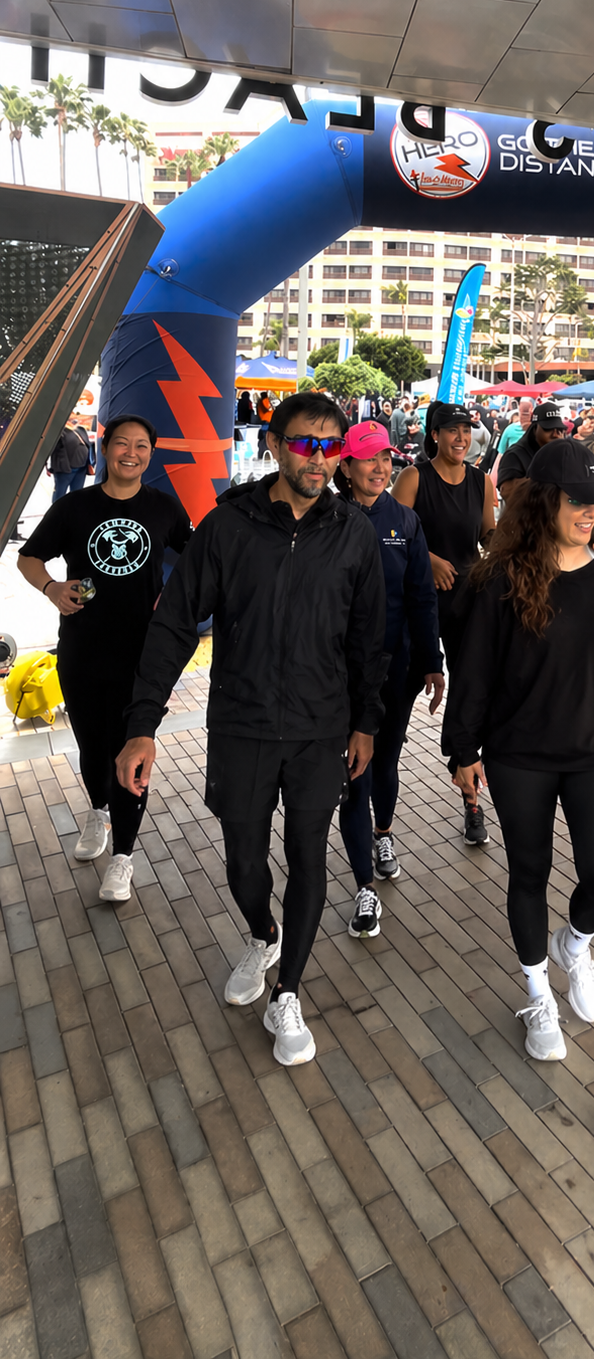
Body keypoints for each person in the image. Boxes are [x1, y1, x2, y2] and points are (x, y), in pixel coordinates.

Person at [115, 392, 386, 1067]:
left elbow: (368, 639)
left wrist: (365, 723)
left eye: (330, 446)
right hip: (241, 721)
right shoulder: (229, 526)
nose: (317, 458)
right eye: (304, 443)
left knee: (307, 856)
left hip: (322, 727)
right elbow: (177, 621)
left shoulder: (352, 532)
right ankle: (262, 933)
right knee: (242, 862)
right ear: (274, 445)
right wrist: (142, 724)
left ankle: (287, 991)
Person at [443, 441, 594, 1060]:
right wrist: (462, 751)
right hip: (519, 753)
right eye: (579, 501)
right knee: (529, 874)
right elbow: (473, 673)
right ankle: (539, 990)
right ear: (544, 502)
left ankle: (577, 943)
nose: (592, 512)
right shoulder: (497, 577)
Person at [18, 415, 192, 902]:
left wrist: (174, 595)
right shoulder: (75, 508)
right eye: (122, 444)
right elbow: (28, 557)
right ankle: (98, 812)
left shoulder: (162, 508)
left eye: (142, 445)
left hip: (144, 656)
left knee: (131, 749)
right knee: (93, 747)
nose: (131, 453)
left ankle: (123, 857)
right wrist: (52, 587)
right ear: (106, 448)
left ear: (150, 454)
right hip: (83, 648)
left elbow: (198, 557)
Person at [333, 421, 443, 940]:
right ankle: (363, 886)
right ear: (345, 465)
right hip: (336, 672)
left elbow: (422, 596)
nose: (380, 468)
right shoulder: (327, 518)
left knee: (387, 759)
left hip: (394, 668)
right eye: (368, 458)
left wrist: (430, 660)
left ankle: (383, 834)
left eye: (386, 459)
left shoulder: (405, 522)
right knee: (354, 770)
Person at [393, 401, 498, 844]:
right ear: (433, 435)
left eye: (466, 430)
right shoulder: (414, 477)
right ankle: (377, 802)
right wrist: (428, 559)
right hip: (417, 598)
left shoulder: (481, 481)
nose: (460, 438)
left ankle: (471, 801)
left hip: (467, 597)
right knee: (398, 688)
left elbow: (489, 535)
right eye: (451, 431)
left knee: (470, 691)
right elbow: (393, 535)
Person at [497, 401, 567, 501]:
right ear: (535, 428)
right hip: (525, 515)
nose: (555, 435)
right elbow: (506, 491)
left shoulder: (563, 454)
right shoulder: (515, 455)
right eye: (549, 429)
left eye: (559, 430)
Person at [47, 415, 93, 500]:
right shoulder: (59, 433)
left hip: (81, 469)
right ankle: (57, 512)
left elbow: (88, 446)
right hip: (65, 470)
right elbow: (52, 449)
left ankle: (74, 512)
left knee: (77, 495)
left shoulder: (80, 430)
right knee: (59, 496)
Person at [256, 392, 274, 458]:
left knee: (263, 439)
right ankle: (266, 455)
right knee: (266, 439)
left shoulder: (260, 402)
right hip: (268, 421)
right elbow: (269, 409)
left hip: (264, 420)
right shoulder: (265, 401)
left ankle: (262, 454)